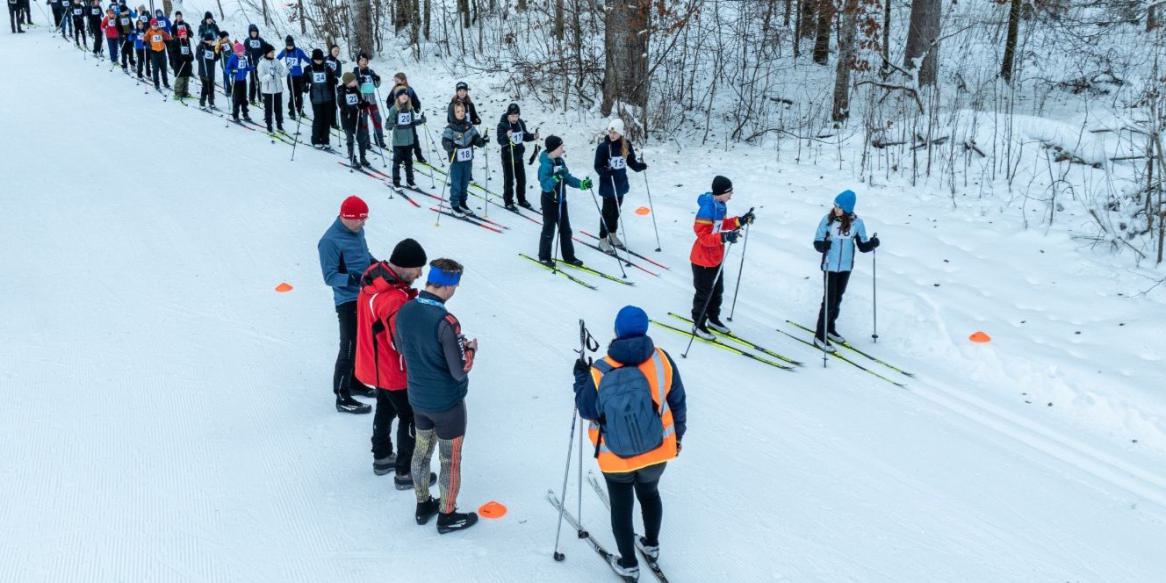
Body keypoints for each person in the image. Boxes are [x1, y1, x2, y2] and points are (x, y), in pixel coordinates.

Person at [573, 306, 687, 580]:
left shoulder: (600, 370)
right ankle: (651, 545)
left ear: (617, 331)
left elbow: (586, 409)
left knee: (621, 507)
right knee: (650, 494)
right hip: (657, 449)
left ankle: (628, 563)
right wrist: (678, 438)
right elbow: (678, 402)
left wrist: (580, 377)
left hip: (615, 456)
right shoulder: (662, 359)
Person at [394, 258, 480, 534]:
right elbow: (459, 370)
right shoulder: (446, 322)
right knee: (449, 460)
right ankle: (447, 514)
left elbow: (400, 347)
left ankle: (422, 505)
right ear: (449, 286)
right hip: (447, 404)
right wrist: (470, 349)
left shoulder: (406, 309)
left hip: (418, 398)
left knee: (421, 452)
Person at [355, 238, 435, 488]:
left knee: (385, 407)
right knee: (410, 416)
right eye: (417, 269)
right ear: (405, 266)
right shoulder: (394, 300)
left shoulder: (374, 277)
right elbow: (402, 343)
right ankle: (406, 471)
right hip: (393, 369)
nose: (420, 274)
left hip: (374, 363)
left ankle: (381, 455)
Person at [318, 195, 378, 415]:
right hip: (347, 300)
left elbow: (363, 253)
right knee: (349, 346)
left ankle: (353, 382)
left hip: (364, 296)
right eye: (360, 218)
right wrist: (353, 278)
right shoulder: (329, 241)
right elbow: (330, 276)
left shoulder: (357, 230)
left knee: (362, 342)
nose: (364, 222)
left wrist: (376, 265)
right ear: (347, 217)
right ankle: (342, 395)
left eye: (365, 218)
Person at [811, 189, 880, 352]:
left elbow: (862, 246)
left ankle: (830, 328)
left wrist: (872, 244)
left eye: (839, 207)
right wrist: (823, 245)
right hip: (830, 265)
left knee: (837, 299)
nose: (835, 209)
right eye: (835, 205)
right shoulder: (827, 221)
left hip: (846, 267)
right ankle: (819, 335)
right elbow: (817, 242)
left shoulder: (857, 223)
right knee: (829, 300)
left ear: (847, 208)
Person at [689, 176, 754, 340]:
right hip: (702, 260)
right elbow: (703, 237)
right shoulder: (706, 210)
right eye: (729, 192)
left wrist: (740, 221)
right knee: (704, 294)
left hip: (716, 258)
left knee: (717, 292)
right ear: (721, 192)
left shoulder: (720, 205)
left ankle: (713, 319)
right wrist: (724, 237)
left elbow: (721, 225)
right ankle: (698, 324)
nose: (731, 195)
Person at [594, 117, 648, 253]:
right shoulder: (603, 147)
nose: (612, 135)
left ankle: (612, 234)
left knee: (616, 212)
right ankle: (603, 239)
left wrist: (639, 166)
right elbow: (597, 166)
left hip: (620, 185)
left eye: (615, 133)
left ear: (620, 133)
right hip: (608, 185)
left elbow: (631, 162)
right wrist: (606, 172)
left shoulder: (625, 145)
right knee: (607, 213)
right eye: (610, 132)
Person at [537, 135, 591, 267]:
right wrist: (556, 177)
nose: (563, 149)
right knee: (549, 229)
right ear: (553, 149)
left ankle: (569, 256)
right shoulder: (545, 165)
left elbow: (567, 178)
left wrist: (581, 184)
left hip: (561, 200)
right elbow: (545, 186)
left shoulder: (560, 161)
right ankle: (544, 257)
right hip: (549, 201)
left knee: (566, 230)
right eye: (561, 147)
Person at [441, 103, 486, 216]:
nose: (461, 113)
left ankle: (462, 202)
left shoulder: (469, 126)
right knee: (456, 183)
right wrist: (451, 145)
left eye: (462, 111)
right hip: (456, 161)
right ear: (453, 113)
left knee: (465, 182)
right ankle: (455, 204)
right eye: (458, 111)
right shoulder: (450, 128)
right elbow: (445, 143)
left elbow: (476, 139)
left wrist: (483, 141)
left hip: (467, 160)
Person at [496, 103, 537, 211]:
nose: (514, 118)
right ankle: (508, 201)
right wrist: (507, 136)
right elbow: (500, 140)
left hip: (518, 156)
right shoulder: (502, 125)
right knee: (509, 180)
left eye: (516, 116)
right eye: (512, 116)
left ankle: (521, 199)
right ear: (508, 115)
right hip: (508, 157)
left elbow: (525, 136)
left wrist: (533, 136)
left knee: (522, 179)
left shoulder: (520, 123)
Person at [387, 87, 425, 188]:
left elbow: (411, 123)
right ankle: (396, 181)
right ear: (397, 97)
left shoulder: (410, 109)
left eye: (406, 95)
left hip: (409, 141)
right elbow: (388, 125)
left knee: (409, 162)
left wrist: (421, 121)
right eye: (401, 95)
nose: (404, 96)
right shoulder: (394, 109)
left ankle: (410, 180)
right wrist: (390, 124)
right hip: (398, 141)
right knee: (397, 162)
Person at [337, 71, 372, 168]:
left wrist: (364, 104)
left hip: (357, 118)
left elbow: (360, 101)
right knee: (350, 140)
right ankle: (353, 158)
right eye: (354, 80)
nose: (356, 81)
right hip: (347, 119)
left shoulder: (356, 90)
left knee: (361, 138)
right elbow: (342, 106)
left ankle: (363, 158)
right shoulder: (342, 92)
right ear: (348, 82)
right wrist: (354, 108)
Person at [391, 72, 426, 164]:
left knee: (413, 136)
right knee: (401, 137)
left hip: (408, 117)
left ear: (404, 80)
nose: (395, 83)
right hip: (398, 119)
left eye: (397, 81)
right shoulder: (394, 90)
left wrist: (417, 106)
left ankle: (419, 155)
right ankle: (402, 155)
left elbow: (415, 100)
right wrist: (393, 110)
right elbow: (389, 102)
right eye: (395, 81)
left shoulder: (409, 90)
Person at [353, 53, 386, 149]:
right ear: (358, 62)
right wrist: (359, 81)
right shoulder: (355, 72)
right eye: (361, 60)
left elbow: (376, 85)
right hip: (362, 101)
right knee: (364, 122)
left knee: (377, 119)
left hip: (372, 100)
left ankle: (379, 140)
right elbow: (354, 87)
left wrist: (377, 79)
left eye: (365, 60)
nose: (364, 62)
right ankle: (366, 141)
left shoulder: (370, 71)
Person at [305, 48, 336, 148]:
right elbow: (304, 80)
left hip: (327, 97)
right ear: (313, 59)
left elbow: (331, 79)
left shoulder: (327, 68)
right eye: (316, 59)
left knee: (327, 119)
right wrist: (304, 86)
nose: (318, 61)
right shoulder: (308, 68)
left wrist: (334, 81)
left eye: (320, 59)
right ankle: (316, 139)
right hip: (316, 97)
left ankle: (325, 139)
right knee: (318, 118)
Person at [257, 43, 287, 133]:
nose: (273, 54)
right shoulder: (261, 64)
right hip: (268, 91)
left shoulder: (276, 61)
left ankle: (279, 125)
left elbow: (282, 73)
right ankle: (269, 126)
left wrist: (287, 69)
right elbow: (261, 78)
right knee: (269, 109)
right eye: (271, 52)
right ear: (266, 53)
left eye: (273, 52)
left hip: (278, 89)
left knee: (278, 108)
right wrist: (270, 75)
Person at [277, 35, 309, 119]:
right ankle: (291, 111)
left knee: (299, 94)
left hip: (299, 76)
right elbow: (277, 58)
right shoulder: (284, 51)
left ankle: (300, 110)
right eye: (288, 45)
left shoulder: (299, 51)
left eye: (291, 45)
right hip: (290, 76)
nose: (290, 47)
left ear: (293, 43)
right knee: (293, 94)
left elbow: (306, 59)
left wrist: (314, 62)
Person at [225, 41, 253, 122]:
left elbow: (246, 68)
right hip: (236, 81)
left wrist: (252, 68)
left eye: (243, 51)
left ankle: (245, 114)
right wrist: (232, 71)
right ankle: (235, 115)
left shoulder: (244, 58)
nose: (243, 53)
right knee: (236, 99)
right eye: (241, 51)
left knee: (244, 98)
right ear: (236, 52)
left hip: (243, 81)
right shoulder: (233, 58)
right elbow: (227, 69)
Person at [143, 18, 172, 91]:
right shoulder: (149, 31)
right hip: (154, 52)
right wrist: (145, 41)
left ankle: (166, 83)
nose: (155, 26)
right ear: (151, 25)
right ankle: (156, 84)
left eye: (156, 24)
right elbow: (145, 38)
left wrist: (172, 40)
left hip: (162, 52)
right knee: (155, 69)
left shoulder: (161, 31)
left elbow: (167, 37)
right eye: (153, 25)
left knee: (164, 68)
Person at [171, 17, 194, 99]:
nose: (184, 36)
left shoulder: (187, 42)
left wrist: (190, 57)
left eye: (185, 34)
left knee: (186, 78)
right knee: (180, 79)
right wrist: (181, 58)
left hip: (187, 64)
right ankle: (178, 93)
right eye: (182, 34)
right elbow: (174, 54)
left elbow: (190, 53)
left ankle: (185, 92)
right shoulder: (176, 42)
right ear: (179, 35)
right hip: (179, 64)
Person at [195, 31, 219, 108]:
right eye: (209, 40)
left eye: (211, 40)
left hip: (211, 70)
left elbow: (215, 58)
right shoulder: (200, 46)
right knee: (205, 87)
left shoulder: (212, 47)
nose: (210, 41)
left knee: (211, 87)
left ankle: (211, 102)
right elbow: (197, 57)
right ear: (205, 40)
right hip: (203, 71)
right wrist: (201, 55)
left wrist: (219, 53)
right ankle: (202, 102)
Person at [243, 23, 265, 104]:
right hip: (251, 63)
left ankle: (261, 97)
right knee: (253, 80)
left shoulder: (261, 40)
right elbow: (243, 51)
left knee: (260, 80)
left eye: (255, 32)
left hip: (260, 63)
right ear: (250, 33)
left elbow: (265, 49)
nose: (254, 33)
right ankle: (251, 98)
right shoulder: (247, 40)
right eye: (252, 32)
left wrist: (263, 55)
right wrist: (247, 52)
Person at [115, 5, 135, 71]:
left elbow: (131, 24)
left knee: (131, 51)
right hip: (122, 37)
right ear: (123, 11)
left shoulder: (128, 16)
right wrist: (122, 34)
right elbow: (117, 27)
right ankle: (124, 66)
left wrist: (132, 30)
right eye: (126, 10)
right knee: (124, 51)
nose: (127, 11)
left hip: (129, 36)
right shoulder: (118, 18)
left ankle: (132, 64)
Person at [216, 30, 231, 97]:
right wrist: (220, 50)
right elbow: (216, 51)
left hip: (230, 61)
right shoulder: (219, 43)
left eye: (227, 37)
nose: (227, 38)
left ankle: (232, 87)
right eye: (225, 37)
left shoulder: (229, 42)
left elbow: (234, 48)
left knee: (232, 74)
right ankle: (227, 88)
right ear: (222, 38)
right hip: (224, 62)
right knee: (226, 75)